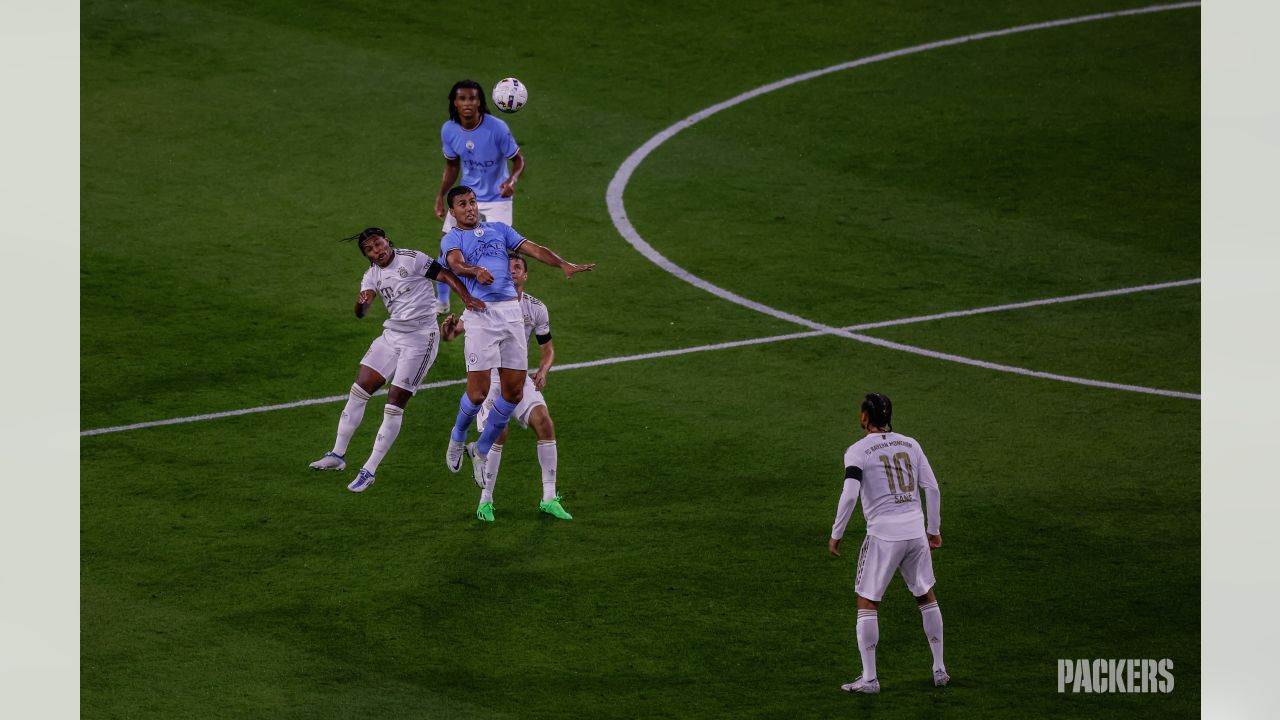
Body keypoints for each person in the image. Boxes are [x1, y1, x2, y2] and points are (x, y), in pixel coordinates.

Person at [438, 185, 592, 507]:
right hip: (480, 314)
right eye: (462, 204)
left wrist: (562, 263)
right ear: (453, 211)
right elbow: (453, 263)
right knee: (478, 392)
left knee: (514, 393)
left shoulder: (499, 230)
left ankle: (478, 451)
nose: (470, 208)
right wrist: (473, 271)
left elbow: (534, 249)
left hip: (510, 313)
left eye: (472, 202)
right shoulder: (453, 238)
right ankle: (457, 437)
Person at [309, 227, 484, 493]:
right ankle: (337, 455)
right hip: (391, 336)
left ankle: (369, 470)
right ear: (366, 255)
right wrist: (362, 303)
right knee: (358, 391)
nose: (376, 251)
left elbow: (445, 275)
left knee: (394, 404)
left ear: (387, 241)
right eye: (370, 249)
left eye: (379, 244)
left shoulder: (411, 259)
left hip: (420, 339)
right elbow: (361, 312)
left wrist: (467, 297)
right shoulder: (371, 275)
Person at [828, 393, 949, 693]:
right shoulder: (912, 444)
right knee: (926, 596)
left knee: (867, 602)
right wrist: (933, 530)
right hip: (916, 532)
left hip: (883, 535)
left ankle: (869, 679)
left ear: (866, 417)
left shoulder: (857, 451)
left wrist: (837, 532)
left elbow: (850, 494)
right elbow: (932, 488)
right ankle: (940, 669)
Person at [440, 253, 570, 522]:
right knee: (499, 434)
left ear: (525, 275)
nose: (512, 271)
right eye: (507, 268)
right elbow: (455, 333)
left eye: (518, 268)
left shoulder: (536, 309)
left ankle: (549, 498)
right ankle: (485, 501)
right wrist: (448, 331)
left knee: (544, 422)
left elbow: (547, 349)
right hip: (491, 381)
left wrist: (543, 371)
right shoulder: (485, 301)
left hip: (519, 379)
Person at [432, 79, 526, 311]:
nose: (467, 103)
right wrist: (440, 195)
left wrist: (512, 180)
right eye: (462, 98)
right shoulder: (449, 130)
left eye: (472, 98)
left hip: (498, 200)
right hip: (467, 197)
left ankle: (502, 303)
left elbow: (519, 160)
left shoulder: (497, 128)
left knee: (496, 254)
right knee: (446, 250)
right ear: (455, 103)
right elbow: (452, 166)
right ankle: (442, 302)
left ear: (480, 102)